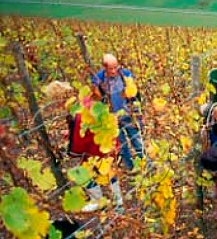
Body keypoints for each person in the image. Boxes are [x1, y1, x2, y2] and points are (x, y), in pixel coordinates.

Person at [46, 80, 124, 213]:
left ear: (59, 100)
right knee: (110, 169)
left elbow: (79, 139)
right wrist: (71, 132)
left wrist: (72, 152)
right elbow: (84, 128)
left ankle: (97, 200)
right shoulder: (85, 102)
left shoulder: (76, 115)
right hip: (107, 141)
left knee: (82, 172)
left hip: (97, 148)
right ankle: (118, 202)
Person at [91, 53, 144, 171]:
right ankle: (130, 168)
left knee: (136, 139)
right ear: (104, 68)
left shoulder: (125, 74)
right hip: (112, 119)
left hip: (128, 114)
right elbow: (96, 98)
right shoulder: (98, 79)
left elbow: (134, 93)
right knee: (122, 145)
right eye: (111, 68)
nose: (114, 71)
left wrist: (136, 110)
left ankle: (145, 164)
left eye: (116, 67)